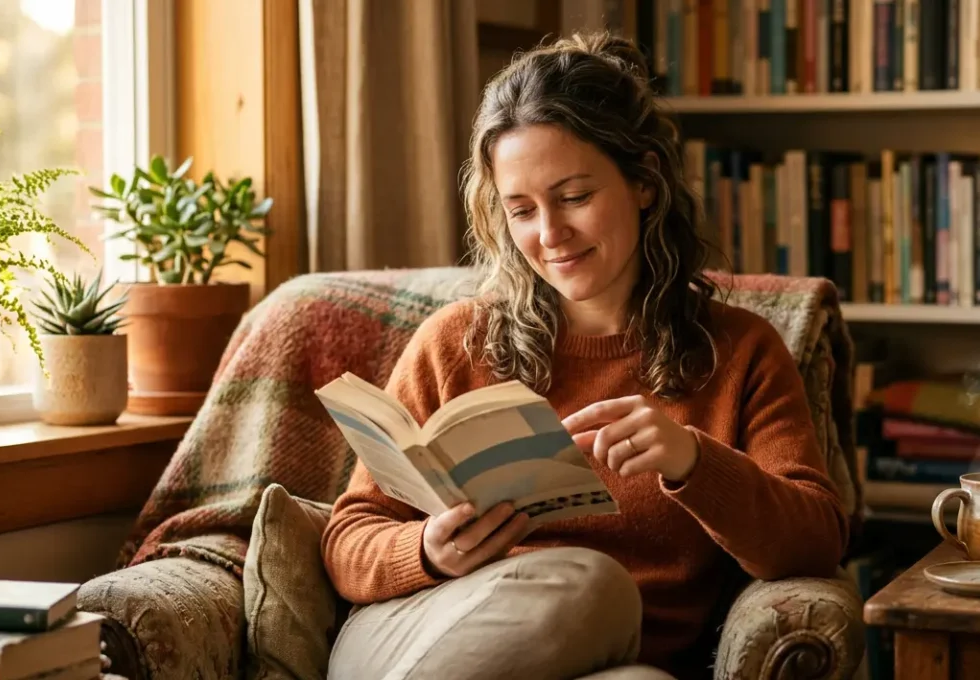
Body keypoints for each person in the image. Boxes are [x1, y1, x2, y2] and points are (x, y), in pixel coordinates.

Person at [321, 32, 849, 680]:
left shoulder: (739, 352)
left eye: (574, 197)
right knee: (591, 588)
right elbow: (348, 539)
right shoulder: (455, 343)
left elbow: (816, 543)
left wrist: (693, 461)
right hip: (422, 635)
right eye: (521, 211)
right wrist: (426, 551)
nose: (549, 235)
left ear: (645, 181)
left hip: (617, 663)